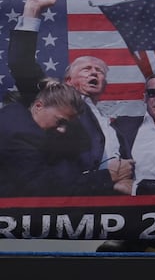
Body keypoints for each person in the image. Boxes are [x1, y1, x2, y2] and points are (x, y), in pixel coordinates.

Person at [8, 0, 125, 179]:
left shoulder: (110, 122)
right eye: (87, 69)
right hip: (70, 195)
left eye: (99, 71)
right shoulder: (53, 99)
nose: (94, 73)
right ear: (68, 79)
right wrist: (32, 11)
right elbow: (21, 63)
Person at [0, 79, 133, 196]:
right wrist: (109, 176)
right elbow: (42, 189)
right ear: (39, 106)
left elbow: (58, 175)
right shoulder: (22, 133)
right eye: (59, 121)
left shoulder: (19, 115)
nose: (62, 130)